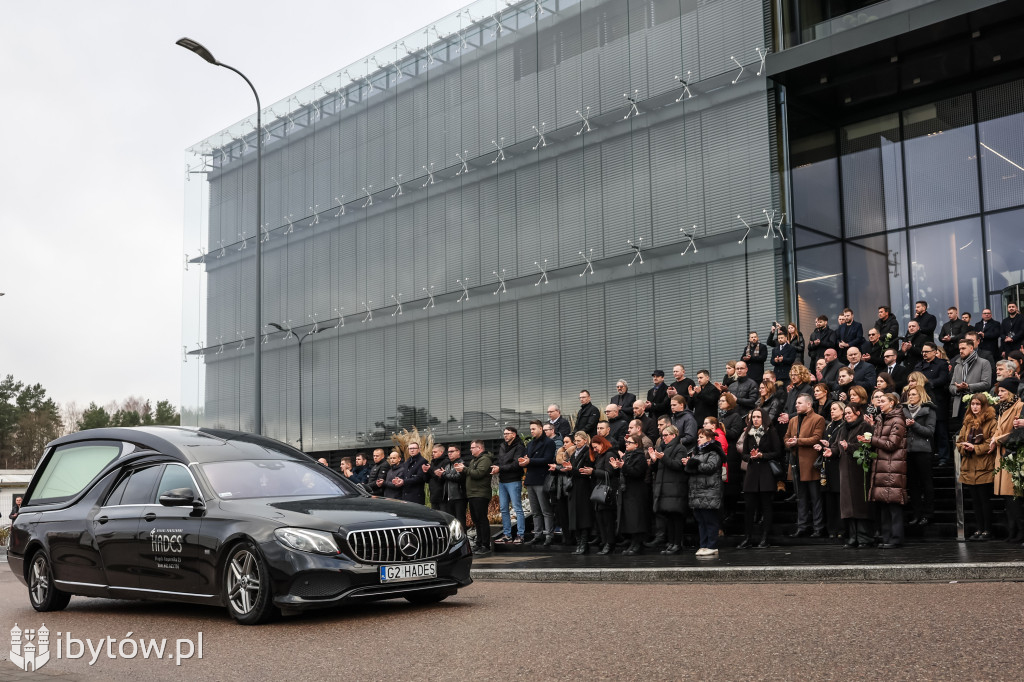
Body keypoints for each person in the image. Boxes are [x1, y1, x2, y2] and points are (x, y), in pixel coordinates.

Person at [862, 392, 909, 548]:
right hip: (882, 467)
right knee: (884, 505)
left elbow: (891, 444)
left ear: (892, 403)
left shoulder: (898, 420)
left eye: (882, 401)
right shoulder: (881, 419)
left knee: (894, 506)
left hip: (892, 467)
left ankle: (896, 539)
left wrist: (872, 439)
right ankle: (887, 538)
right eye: (878, 401)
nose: (879, 403)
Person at [738, 408, 782, 548]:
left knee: (766, 506)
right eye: (753, 417)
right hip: (752, 473)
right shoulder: (748, 433)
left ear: (763, 418)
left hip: (766, 472)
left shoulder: (771, 431)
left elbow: (777, 452)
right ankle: (747, 538)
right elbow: (744, 454)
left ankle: (765, 538)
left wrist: (762, 455)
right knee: (749, 507)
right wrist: (750, 456)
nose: (755, 419)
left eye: (758, 417)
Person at [955, 395, 997, 541]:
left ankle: (988, 530)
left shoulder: (991, 421)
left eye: (978, 404)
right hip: (969, 465)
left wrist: (975, 448)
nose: (974, 407)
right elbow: (959, 441)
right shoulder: (967, 421)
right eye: (972, 404)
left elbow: (991, 442)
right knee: (975, 501)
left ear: (983, 405)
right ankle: (979, 528)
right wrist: (965, 447)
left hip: (984, 465)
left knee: (984, 499)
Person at [785, 394, 827, 538]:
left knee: (815, 498)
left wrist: (797, 441)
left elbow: (816, 438)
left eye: (799, 403)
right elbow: (786, 437)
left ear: (809, 404)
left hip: (811, 464)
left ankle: (818, 527)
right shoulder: (793, 420)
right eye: (796, 403)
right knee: (800, 498)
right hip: (796, 463)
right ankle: (802, 526)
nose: (796, 405)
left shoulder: (818, 419)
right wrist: (789, 442)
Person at [835, 404, 875, 547]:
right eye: (845, 413)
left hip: (859, 471)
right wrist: (830, 451)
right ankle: (853, 536)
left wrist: (849, 447)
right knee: (848, 506)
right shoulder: (842, 428)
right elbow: (837, 446)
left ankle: (864, 537)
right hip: (845, 471)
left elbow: (867, 447)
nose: (846, 415)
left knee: (860, 504)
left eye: (849, 413)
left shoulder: (865, 427)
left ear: (858, 412)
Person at [990, 378, 1023, 542]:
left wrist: (997, 439)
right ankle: (1012, 531)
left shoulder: (1019, 406)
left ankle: (1020, 531)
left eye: (1003, 391)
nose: (1000, 394)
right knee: (1007, 497)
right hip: (1002, 454)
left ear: (1010, 392)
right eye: (999, 391)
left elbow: (1017, 432)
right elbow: (998, 429)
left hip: (1012, 454)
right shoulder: (1002, 408)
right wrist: (994, 438)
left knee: (1013, 496)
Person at [649, 424, 689, 555]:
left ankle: (677, 544)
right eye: (662, 435)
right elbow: (657, 469)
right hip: (665, 488)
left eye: (666, 435)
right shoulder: (663, 448)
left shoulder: (680, 448)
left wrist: (663, 458)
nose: (663, 438)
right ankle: (671, 543)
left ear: (674, 435)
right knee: (669, 517)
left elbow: (677, 465)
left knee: (676, 517)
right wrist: (654, 461)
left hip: (675, 488)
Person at [685, 428, 725, 558]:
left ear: (709, 439)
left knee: (710, 520)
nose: (698, 439)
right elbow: (691, 469)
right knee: (701, 520)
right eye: (698, 437)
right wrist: (690, 464)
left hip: (709, 490)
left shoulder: (714, 452)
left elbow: (710, 467)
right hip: (697, 491)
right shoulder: (697, 452)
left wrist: (693, 464)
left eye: (701, 437)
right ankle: (703, 545)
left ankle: (712, 546)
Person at [610, 434, 651, 555]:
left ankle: (637, 544)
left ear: (636, 444)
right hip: (627, 490)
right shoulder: (626, 456)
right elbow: (624, 472)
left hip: (637, 491)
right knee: (630, 519)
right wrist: (617, 468)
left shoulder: (640, 457)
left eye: (629, 442)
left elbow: (637, 473)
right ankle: (633, 543)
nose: (626, 444)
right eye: (626, 442)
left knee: (636, 518)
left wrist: (623, 466)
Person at [903, 385, 936, 526]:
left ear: (920, 396)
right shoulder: (903, 410)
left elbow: (929, 431)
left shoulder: (929, 409)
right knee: (912, 484)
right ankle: (916, 514)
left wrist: (913, 424)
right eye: (909, 394)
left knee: (926, 483)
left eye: (914, 394)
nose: (910, 397)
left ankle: (928, 514)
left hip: (923, 450)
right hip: (908, 450)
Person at [522, 420, 557, 546]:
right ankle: (537, 535)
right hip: (531, 479)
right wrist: (524, 461)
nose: (531, 431)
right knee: (535, 511)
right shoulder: (530, 443)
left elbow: (548, 459)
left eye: (533, 429)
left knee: (545, 509)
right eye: (530, 429)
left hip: (541, 479)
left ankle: (549, 535)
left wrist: (530, 461)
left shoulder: (549, 442)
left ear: (540, 429)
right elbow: (527, 458)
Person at [817, 401, 846, 537]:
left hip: (838, 465)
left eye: (835, 409)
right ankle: (831, 529)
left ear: (842, 411)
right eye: (831, 409)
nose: (832, 411)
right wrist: (822, 447)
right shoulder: (829, 425)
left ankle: (841, 528)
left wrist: (829, 446)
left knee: (839, 498)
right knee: (829, 499)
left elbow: (840, 445)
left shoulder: (844, 425)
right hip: (827, 465)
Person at [493, 426, 526, 544]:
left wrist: (500, 468)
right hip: (503, 481)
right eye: (504, 433)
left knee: (517, 508)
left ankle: (520, 535)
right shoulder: (502, 446)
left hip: (514, 480)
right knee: (503, 508)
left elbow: (516, 464)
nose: (505, 435)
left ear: (514, 434)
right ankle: (507, 534)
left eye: (508, 433)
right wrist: (497, 468)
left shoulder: (520, 447)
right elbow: (500, 461)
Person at [568, 431, 596, 554]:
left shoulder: (588, 452)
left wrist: (572, 469)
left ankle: (583, 544)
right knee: (574, 516)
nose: (576, 443)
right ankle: (579, 543)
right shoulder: (574, 453)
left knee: (583, 516)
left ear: (585, 440)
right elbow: (572, 469)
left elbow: (585, 471)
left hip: (583, 487)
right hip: (574, 487)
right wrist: (565, 469)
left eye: (579, 440)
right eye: (575, 440)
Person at [589, 435, 618, 555]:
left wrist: (593, 472)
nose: (595, 450)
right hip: (600, 490)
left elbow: (609, 473)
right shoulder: (600, 456)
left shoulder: (609, 454)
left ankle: (609, 543)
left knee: (607, 520)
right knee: (601, 519)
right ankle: (605, 542)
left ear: (602, 444)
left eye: (596, 447)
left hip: (607, 492)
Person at [550, 436, 577, 546]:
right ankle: (566, 537)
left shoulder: (575, 454)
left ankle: (573, 537)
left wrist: (557, 468)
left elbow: (570, 469)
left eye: (567, 442)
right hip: (560, 488)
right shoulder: (559, 454)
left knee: (571, 514)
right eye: (564, 442)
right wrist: (554, 469)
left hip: (570, 487)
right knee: (562, 514)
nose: (564, 444)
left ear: (573, 443)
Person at [441, 444, 468, 530]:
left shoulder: (461, 464)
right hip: (449, 498)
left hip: (459, 496)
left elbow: (458, 477)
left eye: (452, 451)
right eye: (448, 452)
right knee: (451, 521)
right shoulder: (448, 465)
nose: (449, 453)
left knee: (460, 520)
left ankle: (463, 537)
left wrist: (444, 474)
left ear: (458, 452)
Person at [401, 441, 428, 505]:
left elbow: (419, 478)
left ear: (419, 449)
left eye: (414, 448)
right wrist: (398, 480)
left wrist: (404, 481)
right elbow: (403, 475)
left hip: (416, 495)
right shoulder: (406, 462)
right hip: (405, 495)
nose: (412, 450)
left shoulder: (423, 461)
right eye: (410, 448)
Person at [427, 443, 448, 510]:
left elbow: (440, 478)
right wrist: (425, 471)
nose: (433, 454)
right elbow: (427, 479)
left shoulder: (446, 462)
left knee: (443, 514)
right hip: (433, 495)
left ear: (441, 452)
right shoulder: (432, 462)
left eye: (435, 452)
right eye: (432, 452)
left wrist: (431, 469)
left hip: (442, 496)